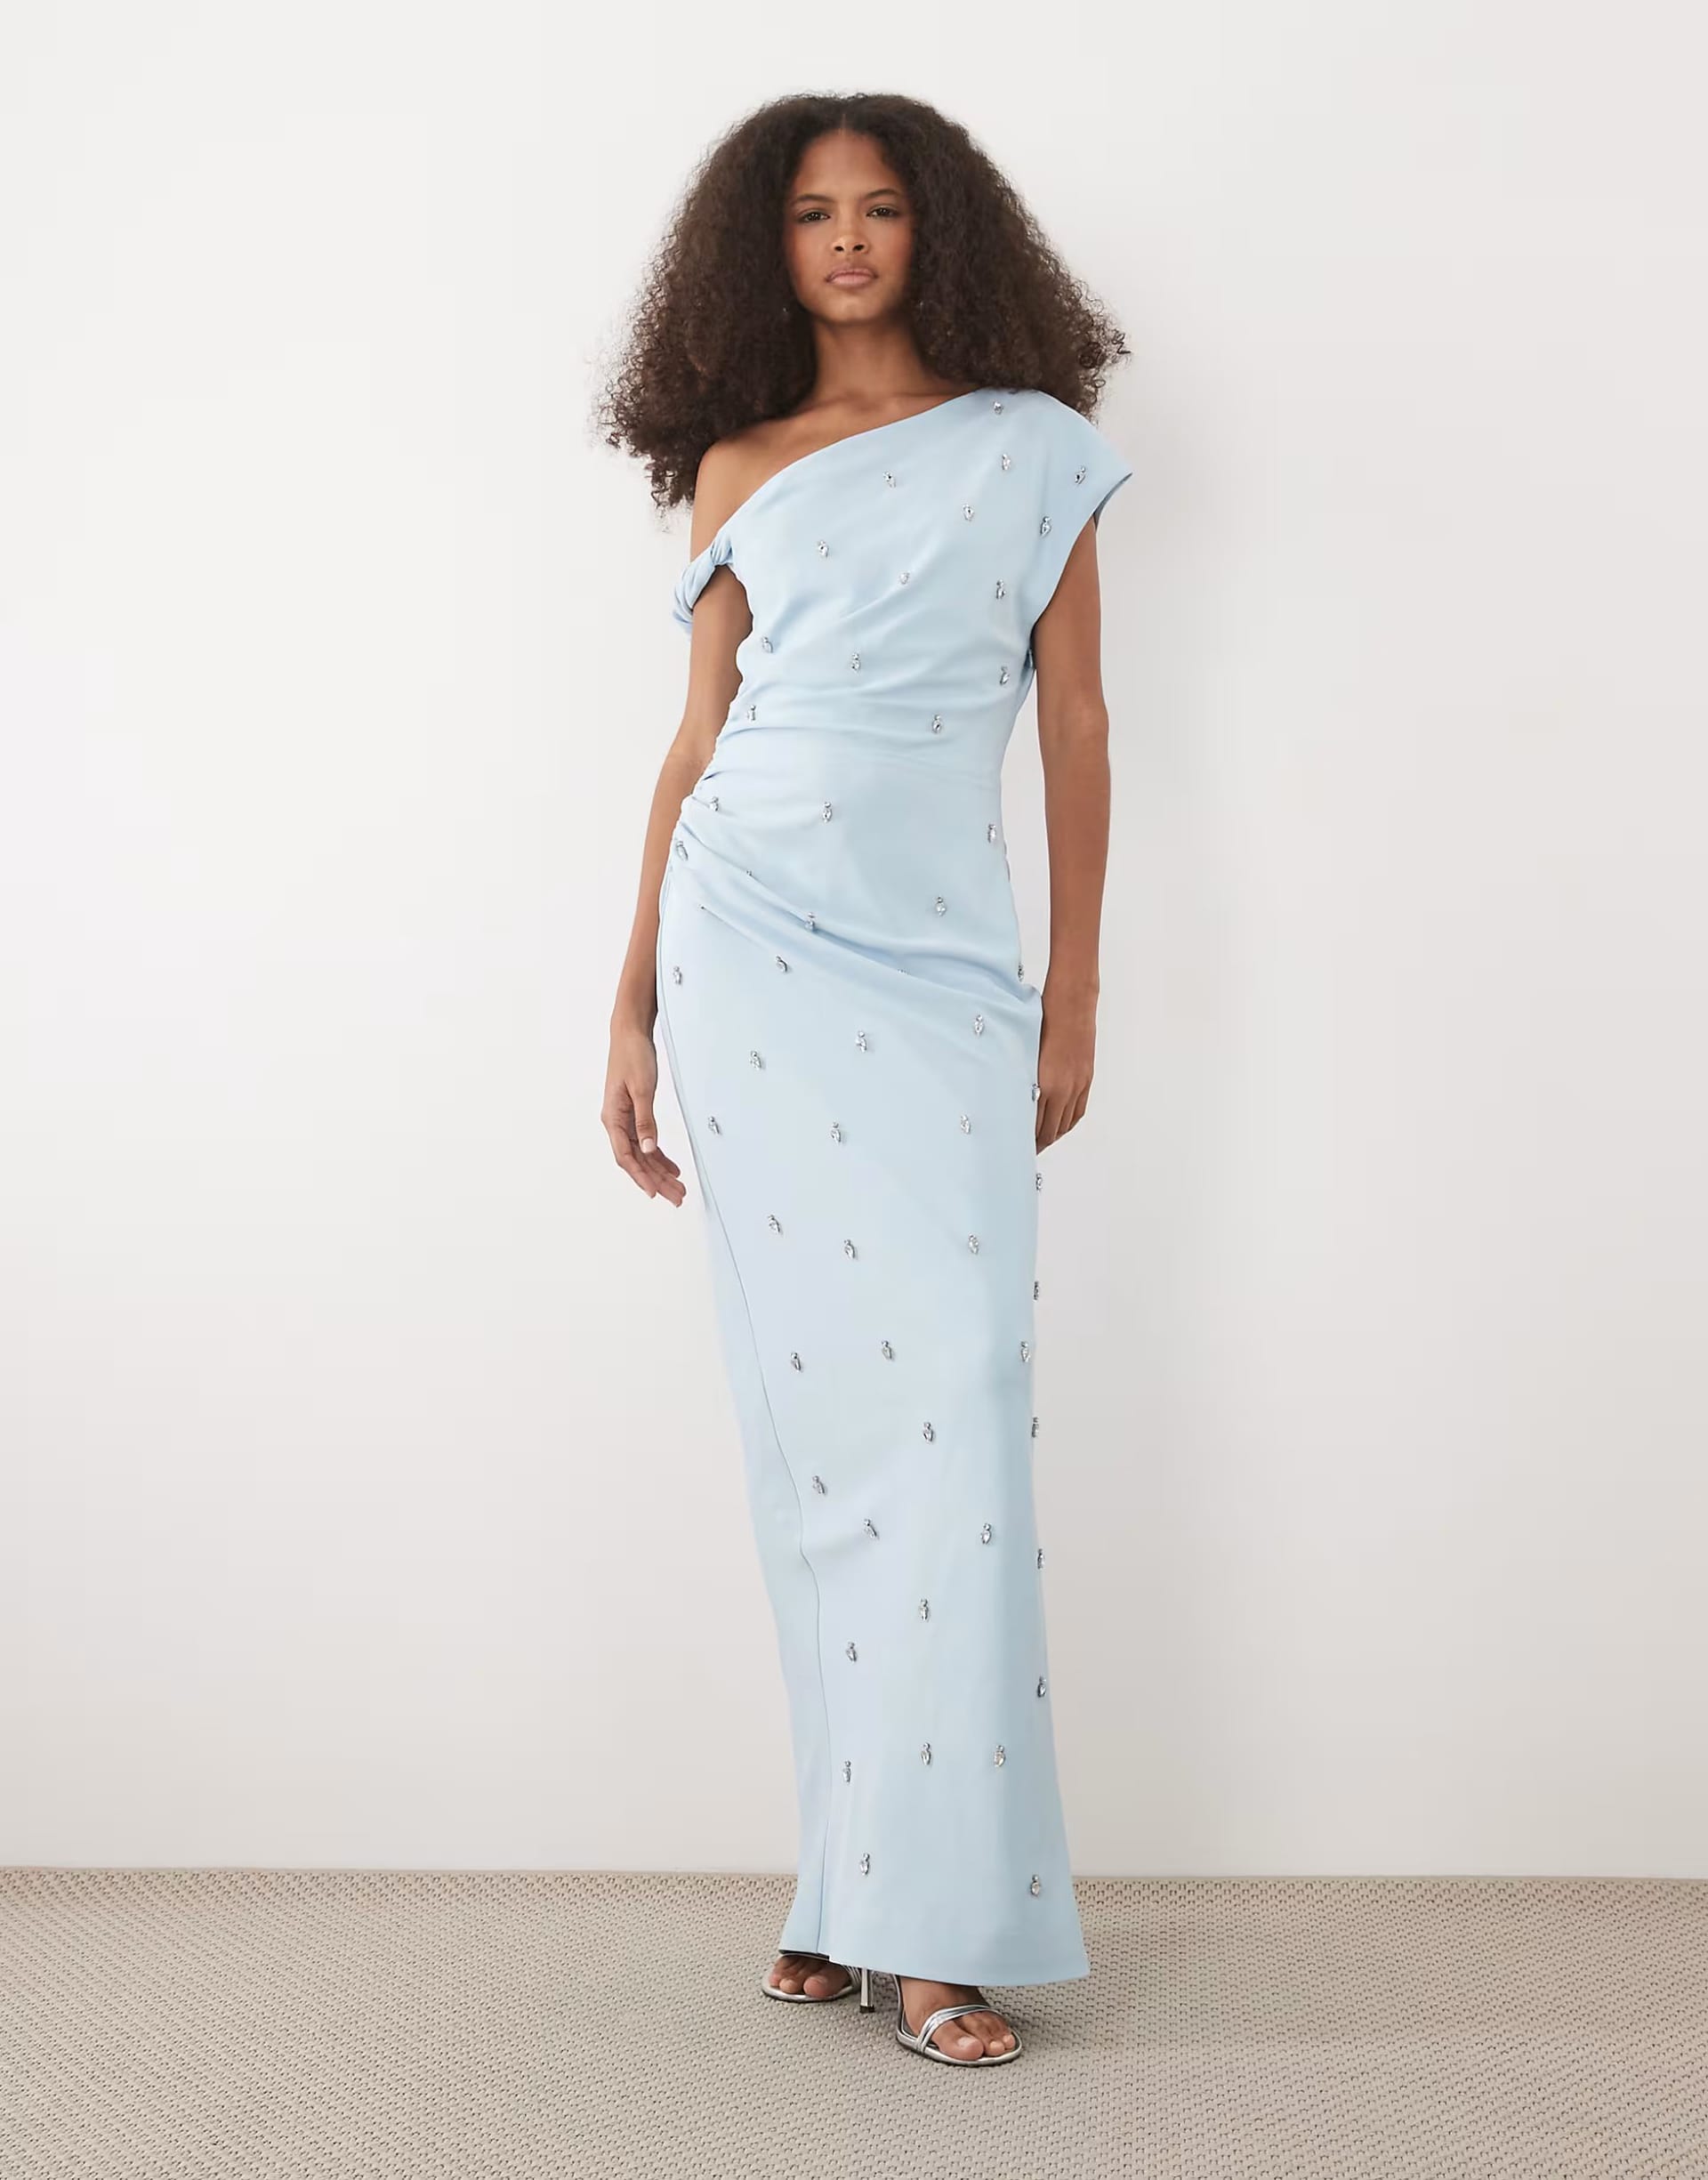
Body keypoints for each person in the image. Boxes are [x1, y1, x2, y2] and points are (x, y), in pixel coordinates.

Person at [599, 91, 1131, 2070]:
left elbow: (1076, 727)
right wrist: (629, 1002)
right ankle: (870, 1908)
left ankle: (918, 1906)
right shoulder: (738, 463)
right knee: (819, 1435)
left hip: (944, 973)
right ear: (767, 247)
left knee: (960, 1401)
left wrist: (1074, 993)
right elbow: (693, 746)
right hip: (749, 947)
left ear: (940, 233)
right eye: (813, 212)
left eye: (882, 207)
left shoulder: (1036, 450)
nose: (845, 239)